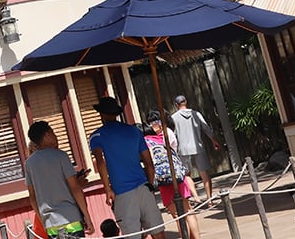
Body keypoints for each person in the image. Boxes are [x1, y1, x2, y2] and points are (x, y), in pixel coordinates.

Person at [88, 97, 164, 239]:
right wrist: (150, 184)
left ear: (102, 114)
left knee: (132, 235)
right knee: (157, 231)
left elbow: (100, 163)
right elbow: (149, 163)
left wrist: (107, 189)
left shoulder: (97, 136)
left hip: (122, 192)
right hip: (143, 186)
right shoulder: (134, 131)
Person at [24, 120, 94, 237]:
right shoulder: (61, 156)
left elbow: (32, 197)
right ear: (47, 135)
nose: (56, 136)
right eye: (53, 133)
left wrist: (43, 221)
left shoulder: (29, 164)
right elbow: (75, 188)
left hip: (50, 223)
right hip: (71, 218)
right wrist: (87, 216)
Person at [145, 111, 201, 239]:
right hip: (177, 175)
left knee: (177, 215)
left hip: (163, 178)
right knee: (188, 211)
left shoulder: (149, 140)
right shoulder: (168, 133)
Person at [171, 95, 222, 205]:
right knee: (204, 173)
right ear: (186, 102)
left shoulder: (174, 118)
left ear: (176, 105)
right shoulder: (196, 114)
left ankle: (196, 197)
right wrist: (214, 141)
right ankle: (209, 199)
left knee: (187, 174)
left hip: (183, 149)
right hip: (198, 146)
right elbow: (206, 128)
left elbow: (173, 135)